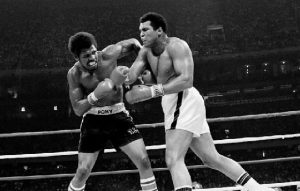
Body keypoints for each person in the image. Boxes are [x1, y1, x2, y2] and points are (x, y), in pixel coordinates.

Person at [125, 12, 275, 191]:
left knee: (173, 159)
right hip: (174, 101)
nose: (141, 34)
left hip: (183, 97)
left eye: (145, 30)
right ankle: (260, 189)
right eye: (139, 31)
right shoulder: (144, 51)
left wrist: (151, 91)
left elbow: (186, 80)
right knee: (211, 159)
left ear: (159, 31)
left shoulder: (177, 46)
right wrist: (119, 68)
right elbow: (129, 78)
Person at [67, 32, 158, 191]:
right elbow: (77, 109)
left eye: (93, 52)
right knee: (82, 171)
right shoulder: (75, 74)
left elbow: (134, 43)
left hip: (118, 116)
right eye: (86, 55)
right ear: (77, 58)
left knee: (144, 161)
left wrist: (142, 67)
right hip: (93, 120)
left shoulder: (109, 55)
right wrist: (95, 95)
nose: (92, 57)